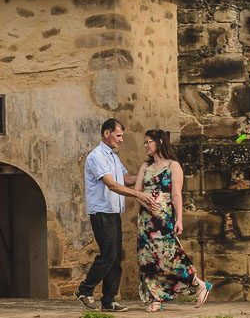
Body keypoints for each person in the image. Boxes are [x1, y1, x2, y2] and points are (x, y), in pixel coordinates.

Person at [77, 118, 154, 313]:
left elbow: (126, 179)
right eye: (118, 135)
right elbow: (111, 184)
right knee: (109, 254)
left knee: (116, 257)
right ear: (107, 133)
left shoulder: (113, 156)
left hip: (113, 213)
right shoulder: (97, 157)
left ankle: (108, 300)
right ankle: (84, 290)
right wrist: (139, 194)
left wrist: (152, 176)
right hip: (101, 212)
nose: (121, 140)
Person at [134, 128, 211, 312]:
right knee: (147, 259)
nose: (146, 145)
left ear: (160, 141)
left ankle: (198, 283)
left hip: (164, 219)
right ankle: (155, 298)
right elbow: (136, 192)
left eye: (149, 142)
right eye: (144, 142)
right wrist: (144, 199)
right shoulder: (145, 166)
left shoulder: (173, 165)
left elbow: (176, 195)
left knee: (169, 256)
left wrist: (179, 220)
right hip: (145, 220)